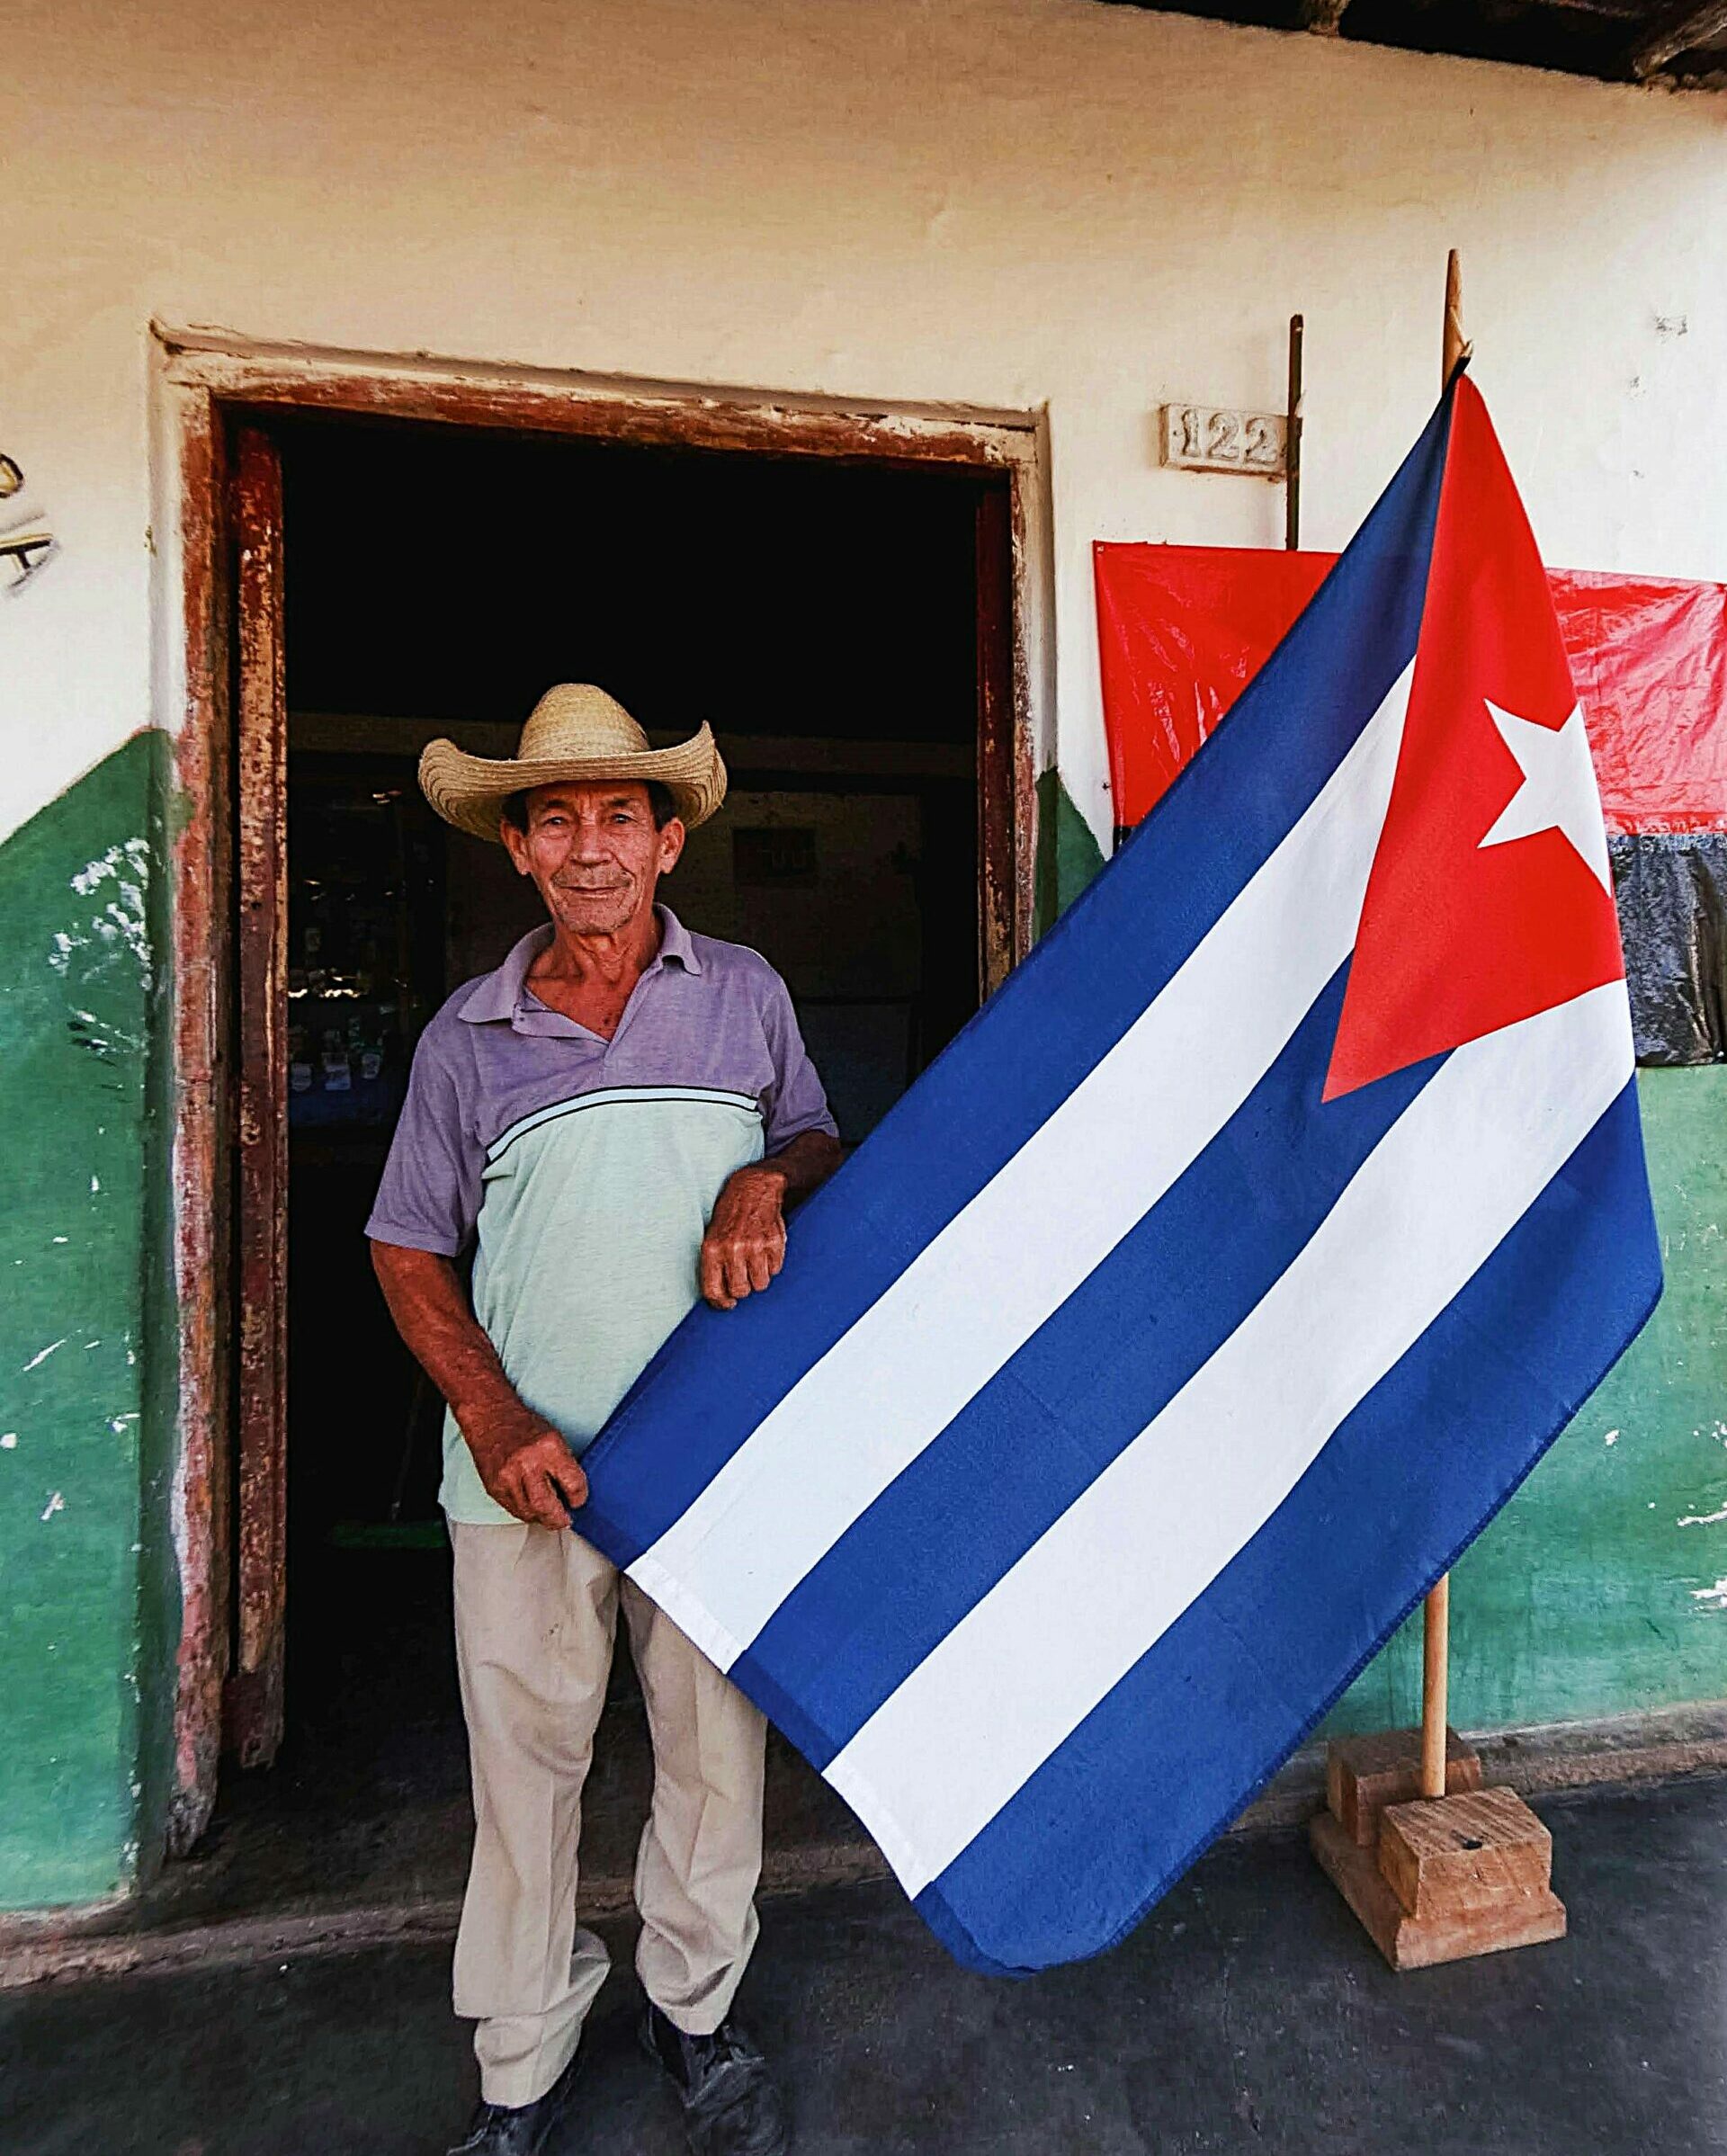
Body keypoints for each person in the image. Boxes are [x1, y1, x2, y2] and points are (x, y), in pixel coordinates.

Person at [367, 684, 843, 2156]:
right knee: (525, 1766)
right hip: (526, 1471)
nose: (590, 848)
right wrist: (497, 1417)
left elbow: (814, 1134)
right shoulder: (470, 1036)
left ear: (667, 841)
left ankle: (692, 2008)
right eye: (556, 818)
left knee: (712, 1753)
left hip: (705, 1459)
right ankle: (520, 2062)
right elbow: (403, 1245)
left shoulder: (744, 992)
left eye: (617, 818)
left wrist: (767, 1181)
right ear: (515, 848)